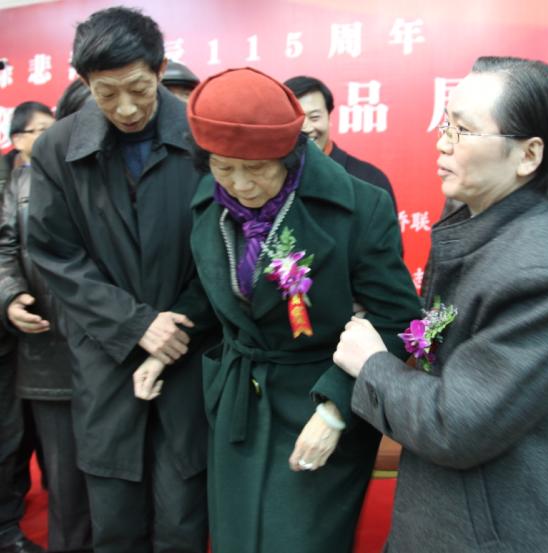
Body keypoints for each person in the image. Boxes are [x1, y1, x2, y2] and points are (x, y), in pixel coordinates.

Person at [334, 56, 548, 552]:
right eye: (446, 124)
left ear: (528, 155)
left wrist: (372, 364)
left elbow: (455, 424)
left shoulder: (543, 274)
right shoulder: (480, 225)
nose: (442, 142)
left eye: (463, 131)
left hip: (501, 531)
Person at [136, 66, 421, 553]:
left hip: (319, 400)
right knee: (235, 538)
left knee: (302, 540)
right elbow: (210, 291)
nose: (241, 185)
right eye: (224, 168)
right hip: (238, 402)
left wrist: (335, 410)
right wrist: (165, 347)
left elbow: (397, 320)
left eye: (257, 169)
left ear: (291, 155)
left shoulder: (359, 207)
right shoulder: (209, 200)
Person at [26, 7, 213, 553]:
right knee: (114, 518)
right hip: (107, 357)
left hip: (188, 349)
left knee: (183, 517)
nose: (126, 108)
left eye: (138, 89)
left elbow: (225, 250)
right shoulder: (58, 148)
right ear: (84, 82)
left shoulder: (203, 136)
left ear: (160, 70)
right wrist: (135, 326)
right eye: (107, 93)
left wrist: (176, 326)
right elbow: (55, 254)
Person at [1, 98, 93, 553]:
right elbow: (5, 247)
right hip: (44, 349)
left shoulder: (103, 178)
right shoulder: (19, 182)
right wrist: (10, 295)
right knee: (61, 474)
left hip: (110, 345)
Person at [0, 102, 55, 553]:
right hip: (9, 330)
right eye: (39, 131)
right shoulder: (9, 182)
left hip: (33, 334)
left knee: (24, 434)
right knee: (9, 437)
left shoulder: (49, 179)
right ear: (17, 139)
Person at [284, 75, 397, 211]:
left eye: (314, 117)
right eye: (296, 119)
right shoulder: (272, 179)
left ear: (329, 117)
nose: (306, 128)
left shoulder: (370, 180)